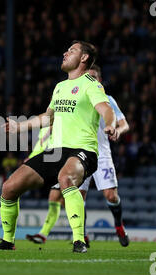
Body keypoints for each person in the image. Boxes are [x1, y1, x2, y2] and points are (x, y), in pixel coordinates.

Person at [0, 41, 117, 253]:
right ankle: (7, 241)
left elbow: (105, 109)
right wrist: (19, 127)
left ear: (84, 58)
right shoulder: (60, 87)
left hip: (83, 150)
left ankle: (79, 240)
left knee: (66, 178)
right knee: (9, 188)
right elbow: (48, 118)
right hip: (55, 151)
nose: (65, 53)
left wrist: (111, 125)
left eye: (72, 50)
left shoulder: (91, 84)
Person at [25, 65, 130, 247]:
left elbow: (123, 123)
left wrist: (117, 130)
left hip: (101, 153)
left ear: (100, 79)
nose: (91, 80)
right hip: (78, 152)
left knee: (111, 196)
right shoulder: (73, 96)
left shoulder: (107, 99)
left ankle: (119, 225)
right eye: (88, 76)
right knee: (76, 197)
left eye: (95, 77)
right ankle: (83, 235)